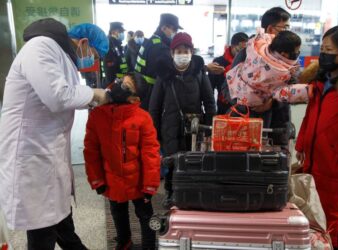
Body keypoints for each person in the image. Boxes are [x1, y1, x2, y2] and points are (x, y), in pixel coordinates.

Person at [0, 18, 110, 250]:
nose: (92, 61)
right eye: (95, 55)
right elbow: (58, 97)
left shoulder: (60, 55)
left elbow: (67, 95)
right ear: (84, 42)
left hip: (46, 153)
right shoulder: (40, 46)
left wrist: (92, 99)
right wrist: (94, 94)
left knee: (60, 222)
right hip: (30, 157)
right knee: (43, 231)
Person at [84, 73, 160, 250]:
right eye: (120, 81)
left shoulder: (142, 118)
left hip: (139, 181)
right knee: (118, 214)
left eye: (126, 87)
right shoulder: (97, 115)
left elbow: (151, 154)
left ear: (135, 98)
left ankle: (149, 246)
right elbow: (91, 151)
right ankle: (124, 242)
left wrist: (150, 185)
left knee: (145, 215)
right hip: (112, 179)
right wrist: (97, 180)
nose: (118, 86)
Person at [295, 26, 338, 250]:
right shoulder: (319, 83)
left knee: (333, 222)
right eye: (322, 49)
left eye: (330, 50)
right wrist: (300, 144)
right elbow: (309, 117)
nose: (324, 55)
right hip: (312, 162)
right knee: (312, 216)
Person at [149, 32, 216, 208]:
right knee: (172, 163)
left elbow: (209, 103)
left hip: (195, 127)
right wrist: (154, 133)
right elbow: (154, 107)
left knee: (195, 161)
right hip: (170, 128)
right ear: (172, 53)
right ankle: (171, 194)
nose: (182, 54)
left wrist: (209, 129)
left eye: (186, 50)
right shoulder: (164, 76)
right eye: (178, 51)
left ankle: (193, 194)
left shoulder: (199, 73)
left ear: (192, 52)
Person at [221, 7, 292, 145]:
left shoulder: (286, 55)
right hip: (247, 125)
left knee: (275, 163)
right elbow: (227, 87)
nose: (288, 32)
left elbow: (291, 88)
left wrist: (272, 103)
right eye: (286, 27)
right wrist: (247, 103)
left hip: (277, 127)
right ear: (271, 29)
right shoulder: (248, 53)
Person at [226, 30, 309, 128]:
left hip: (249, 105)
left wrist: (270, 104)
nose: (297, 54)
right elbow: (285, 92)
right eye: (296, 52)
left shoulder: (255, 48)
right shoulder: (283, 72)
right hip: (254, 113)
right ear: (284, 54)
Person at [134, 13, 182, 110]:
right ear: (164, 28)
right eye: (174, 30)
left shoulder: (150, 41)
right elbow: (173, 68)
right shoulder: (159, 47)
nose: (175, 33)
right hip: (151, 91)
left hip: (142, 88)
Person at [208, 32, 248, 114]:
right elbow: (210, 87)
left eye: (245, 51)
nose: (242, 54)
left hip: (243, 106)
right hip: (224, 105)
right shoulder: (219, 62)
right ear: (232, 46)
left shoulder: (249, 62)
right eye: (239, 50)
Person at [103, 22, 129, 86]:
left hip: (120, 81)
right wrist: (112, 85)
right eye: (120, 31)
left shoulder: (116, 44)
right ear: (113, 32)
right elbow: (109, 69)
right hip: (114, 83)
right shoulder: (109, 44)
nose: (122, 34)